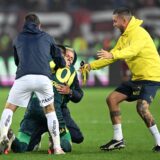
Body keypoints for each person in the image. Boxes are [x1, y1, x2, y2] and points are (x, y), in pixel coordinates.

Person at [80, 7, 160, 152]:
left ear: (124, 20)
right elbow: (111, 57)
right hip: (137, 78)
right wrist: (90, 66)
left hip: (152, 77)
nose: (113, 24)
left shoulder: (139, 33)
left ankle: (159, 142)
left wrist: (113, 55)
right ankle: (118, 139)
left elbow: (132, 51)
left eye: (115, 21)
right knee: (112, 99)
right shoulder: (124, 37)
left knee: (141, 107)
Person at [0, 13, 65, 154]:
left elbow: (17, 62)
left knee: (10, 107)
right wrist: (60, 65)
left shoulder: (18, 38)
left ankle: (3, 136)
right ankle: (57, 147)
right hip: (44, 78)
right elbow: (59, 58)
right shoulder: (47, 37)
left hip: (24, 77)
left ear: (25, 24)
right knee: (50, 110)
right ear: (39, 25)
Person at [10, 45, 84, 153]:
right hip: (55, 110)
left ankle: (13, 138)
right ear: (60, 55)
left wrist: (70, 92)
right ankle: (54, 141)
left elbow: (79, 95)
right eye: (67, 56)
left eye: (71, 58)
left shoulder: (42, 64)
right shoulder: (69, 70)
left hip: (45, 108)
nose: (69, 59)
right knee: (65, 144)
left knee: (77, 137)